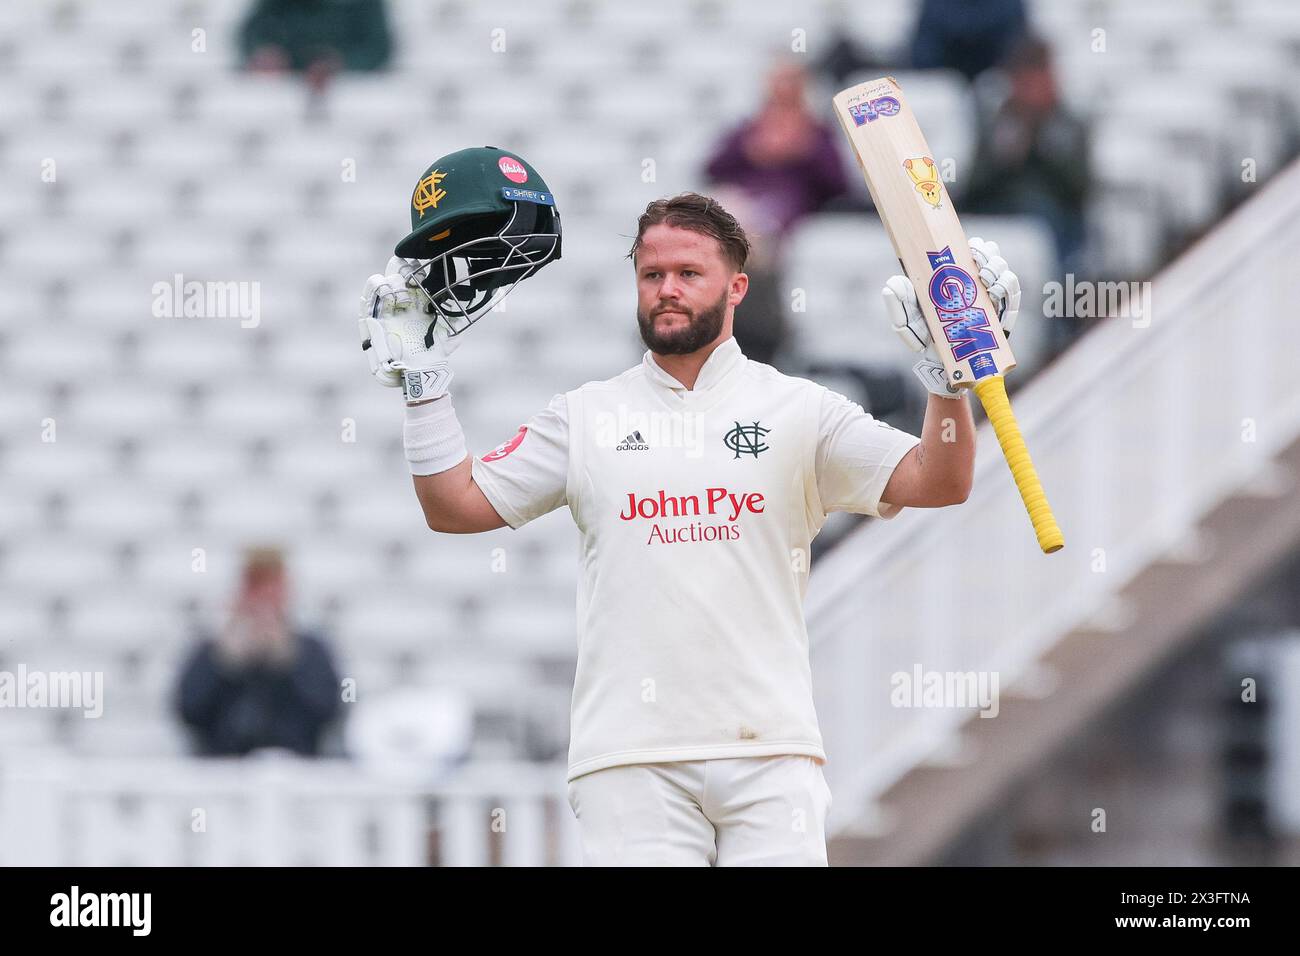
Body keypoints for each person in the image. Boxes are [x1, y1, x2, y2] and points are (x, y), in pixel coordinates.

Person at [361, 167, 1024, 863]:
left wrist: (950, 383)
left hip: (770, 751)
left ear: (737, 286)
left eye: (688, 272)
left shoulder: (801, 409)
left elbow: (939, 481)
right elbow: (454, 508)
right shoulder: (586, 416)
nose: (667, 290)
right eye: (651, 276)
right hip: (629, 758)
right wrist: (425, 391)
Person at [702, 61, 849, 367]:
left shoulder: (816, 133)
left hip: (786, 215)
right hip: (743, 205)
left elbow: (839, 184)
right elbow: (712, 168)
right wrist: (752, 149)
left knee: (757, 233)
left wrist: (803, 150)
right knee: (724, 214)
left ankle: (747, 315)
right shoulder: (749, 130)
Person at [175, 547, 342, 757]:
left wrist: (288, 662)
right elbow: (188, 712)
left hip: (298, 767)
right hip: (222, 768)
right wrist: (225, 663)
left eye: (272, 588)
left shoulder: (312, 649)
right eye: (256, 588)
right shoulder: (211, 650)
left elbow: (329, 712)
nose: (264, 599)